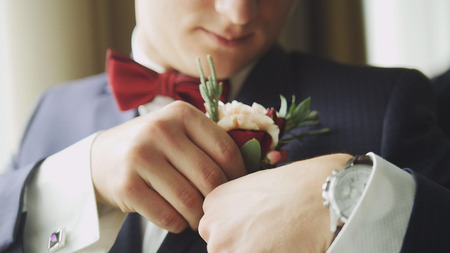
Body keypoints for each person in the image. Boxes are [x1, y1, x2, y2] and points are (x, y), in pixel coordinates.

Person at [0, 0, 449, 252]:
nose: (239, 13)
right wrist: (77, 177)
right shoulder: (53, 111)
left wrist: (361, 200)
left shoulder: (385, 105)